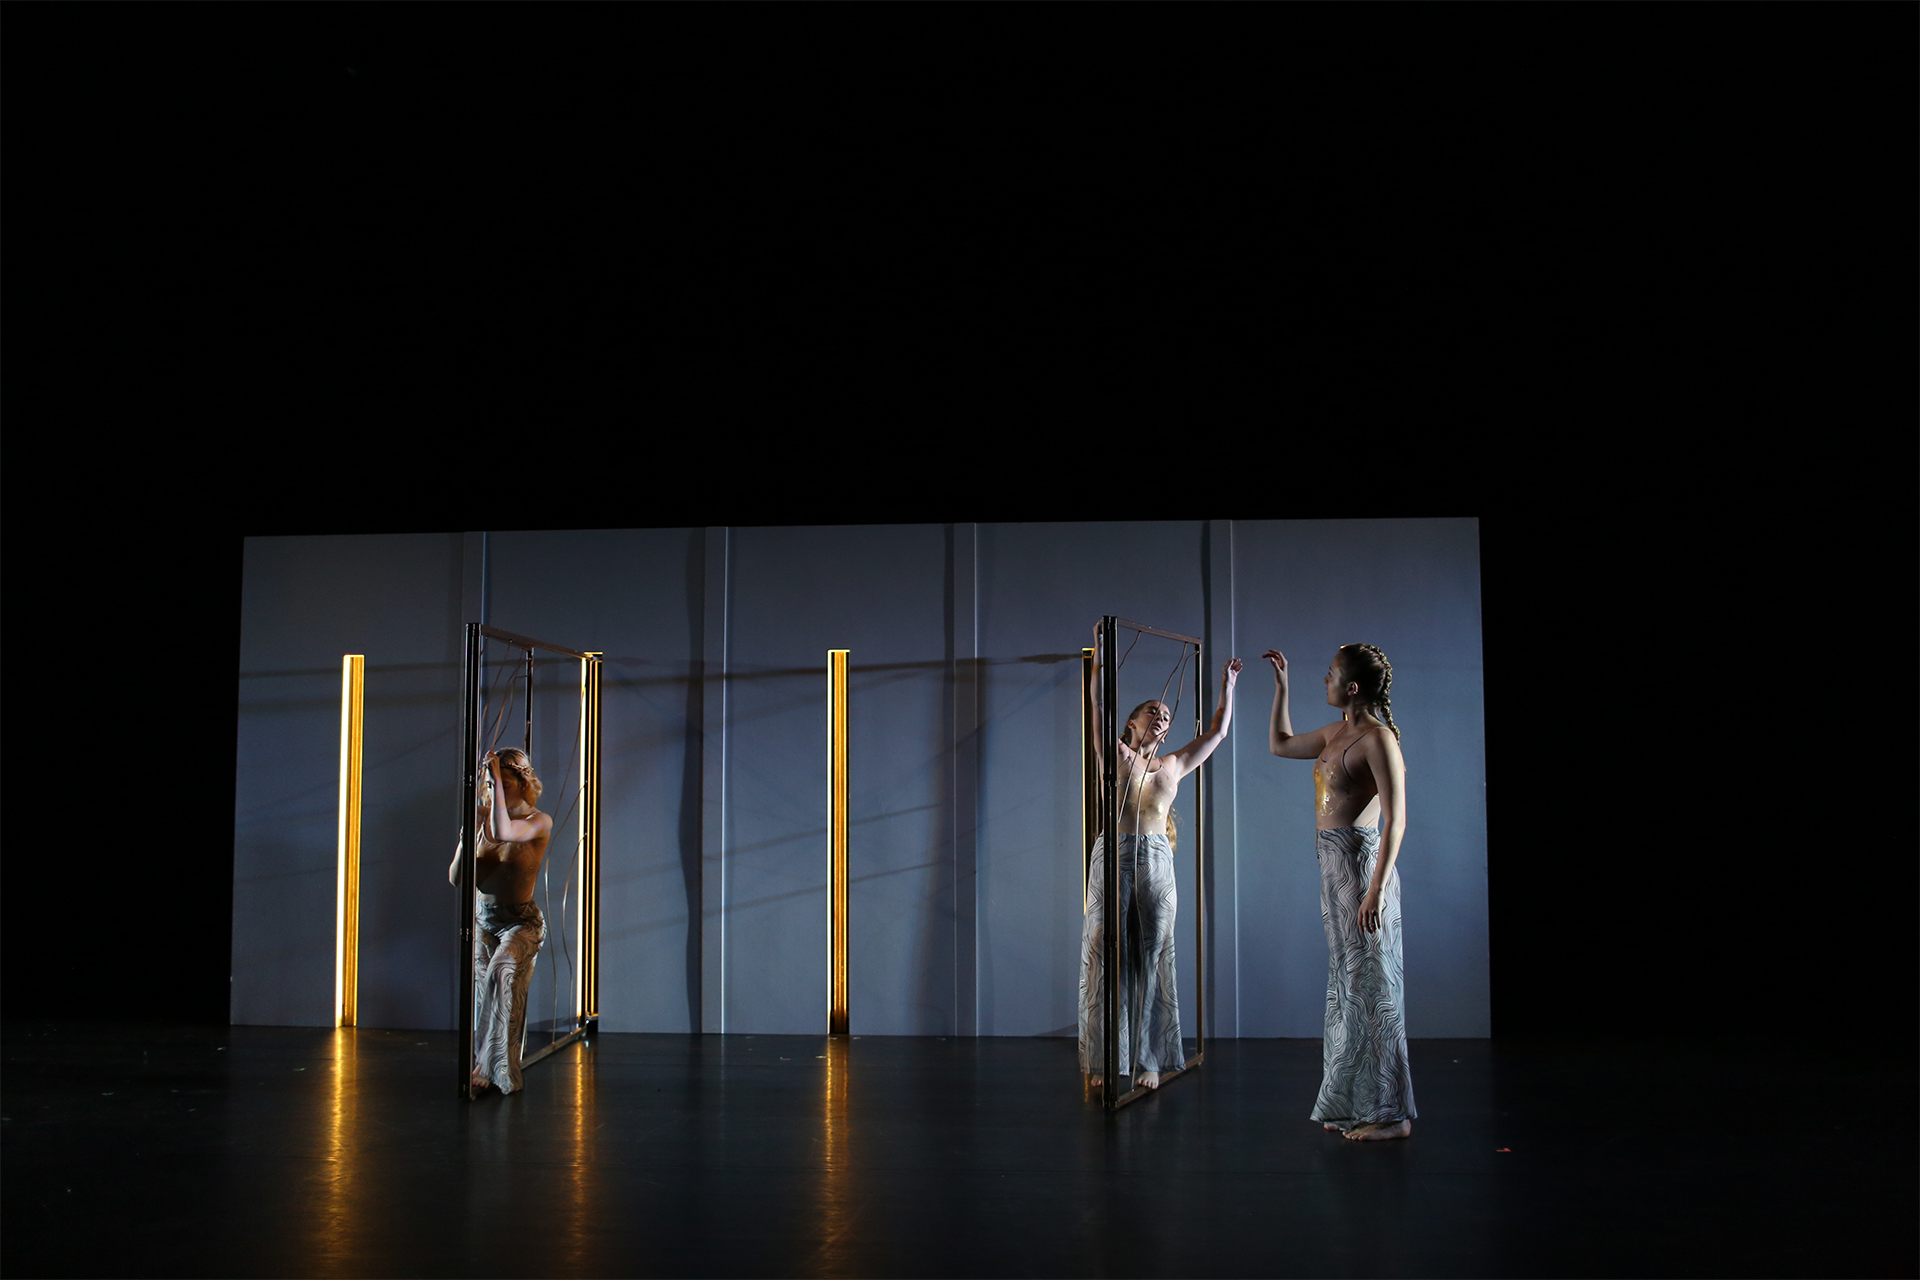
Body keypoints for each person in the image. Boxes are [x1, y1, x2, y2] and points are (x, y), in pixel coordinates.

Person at [1263, 643, 1414, 1140]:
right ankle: (1351, 1101)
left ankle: (1391, 1115)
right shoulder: (1335, 732)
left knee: (1373, 990)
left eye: (1329, 675)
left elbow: (1396, 820)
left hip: (1362, 868)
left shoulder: (1378, 740)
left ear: (1351, 686)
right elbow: (1281, 744)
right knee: (1348, 986)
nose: (1324, 681)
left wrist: (1376, 890)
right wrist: (1281, 687)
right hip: (1333, 868)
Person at [1079, 631, 1242, 1090]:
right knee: (1104, 949)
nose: (1161, 717)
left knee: (1151, 956)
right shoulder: (1116, 754)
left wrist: (1227, 688)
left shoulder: (1173, 765)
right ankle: (1106, 1058)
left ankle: (1148, 1058)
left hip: (1155, 857)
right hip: (1115, 851)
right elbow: (1097, 705)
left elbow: (1218, 732)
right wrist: (1101, 657)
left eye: (1166, 715)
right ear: (1132, 722)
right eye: (1153, 711)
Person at [447, 747, 554, 1095]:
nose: (496, 792)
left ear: (523, 784)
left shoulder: (538, 821)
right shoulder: (479, 816)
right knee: (484, 990)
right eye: (492, 786)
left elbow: (504, 832)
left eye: (504, 785)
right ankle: (484, 1063)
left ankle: (492, 1068)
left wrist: (493, 775)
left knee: (502, 971)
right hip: (484, 919)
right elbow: (456, 878)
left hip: (520, 921)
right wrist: (465, 841)